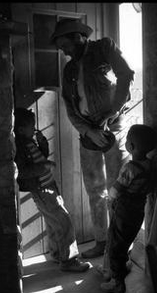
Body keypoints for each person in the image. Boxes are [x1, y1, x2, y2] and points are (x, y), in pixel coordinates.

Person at [50, 19, 135, 258]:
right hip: (88, 134)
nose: (62, 50)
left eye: (63, 44)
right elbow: (69, 105)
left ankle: (121, 247)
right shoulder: (68, 70)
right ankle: (101, 241)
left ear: (77, 37)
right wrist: (88, 131)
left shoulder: (104, 48)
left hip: (114, 130)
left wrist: (112, 113)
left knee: (118, 190)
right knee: (95, 191)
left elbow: (126, 75)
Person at [14, 107, 90, 272]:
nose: (34, 129)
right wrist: (44, 167)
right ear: (20, 130)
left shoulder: (29, 142)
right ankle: (69, 261)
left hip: (48, 187)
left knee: (54, 222)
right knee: (64, 222)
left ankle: (58, 254)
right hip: (42, 190)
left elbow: (42, 156)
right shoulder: (20, 148)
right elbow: (23, 172)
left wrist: (42, 143)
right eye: (31, 126)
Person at [100, 124, 157, 293]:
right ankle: (121, 266)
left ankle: (117, 283)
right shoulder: (150, 166)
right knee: (126, 240)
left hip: (124, 210)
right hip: (138, 210)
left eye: (127, 141)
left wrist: (109, 197)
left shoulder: (129, 168)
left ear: (131, 147)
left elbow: (116, 190)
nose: (125, 143)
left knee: (116, 243)